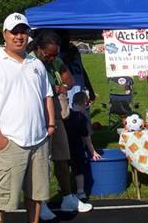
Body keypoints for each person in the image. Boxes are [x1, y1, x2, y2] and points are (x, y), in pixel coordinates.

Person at [0, 12, 55, 223]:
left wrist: (50, 126)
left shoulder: (36, 64)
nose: (19, 36)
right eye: (14, 32)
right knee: (0, 199)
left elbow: (47, 96)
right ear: (5, 34)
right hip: (9, 143)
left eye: (23, 31)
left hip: (38, 141)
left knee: (36, 195)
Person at [31, 31, 93, 219]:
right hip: (37, 117)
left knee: (62, 158)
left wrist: (62, 87)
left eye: (55, 54)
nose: (51, 58)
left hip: (57, 117)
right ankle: (41, 203)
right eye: (48, 54)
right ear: (37, 49)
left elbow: (70, 79)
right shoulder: (30, 63)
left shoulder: (55, 62)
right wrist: (51, 89)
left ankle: (67, 197)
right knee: (41, 164)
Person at [65, 91, 101, 200]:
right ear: (85, 103)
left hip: (65, 146)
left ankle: (63, 187)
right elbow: (87, 138)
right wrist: (93, 151)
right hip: (77, 147)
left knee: (64, 168)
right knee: (79, 170)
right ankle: (80, 191)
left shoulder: (66, 116)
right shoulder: (82, 118)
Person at [60, 42, 96, 131]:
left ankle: (87, 143)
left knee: (85, 122)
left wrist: (90, 89)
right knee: (72, 123)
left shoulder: (75, 52)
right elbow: (61, 66)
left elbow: (82, 70)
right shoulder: (57, 54)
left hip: (80, 90)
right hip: (68, 92)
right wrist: (70, 54)